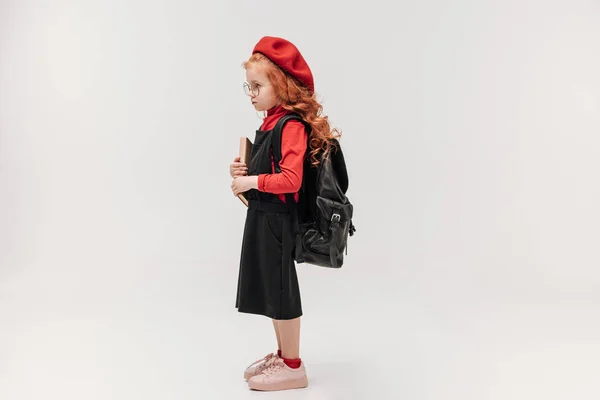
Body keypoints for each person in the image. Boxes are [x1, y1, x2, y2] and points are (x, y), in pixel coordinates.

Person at [229, 36, 340, 392]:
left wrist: (252, 182)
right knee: (271, 289)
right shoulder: (270, 123)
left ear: (281, 84)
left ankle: (293, 366)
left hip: (278, 220)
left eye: (258, 85)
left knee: (281, 288)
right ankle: (282, 354)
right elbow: (270, 170)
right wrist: (244, 174)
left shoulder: (289, 125)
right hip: (264, 216)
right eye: (249, 85)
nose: (252, 93)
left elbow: (291, 180)